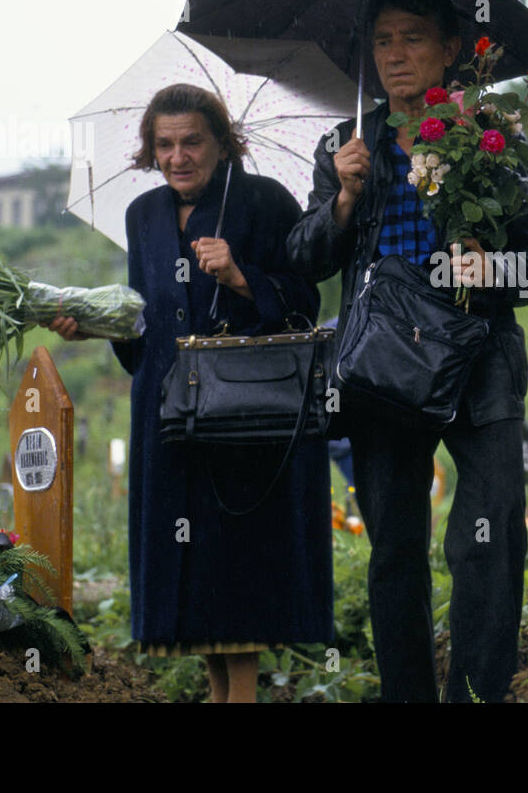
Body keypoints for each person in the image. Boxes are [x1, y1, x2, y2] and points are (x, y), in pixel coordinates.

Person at [288, 0, 528, 702]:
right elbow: (306, 261)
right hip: (383, 369)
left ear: (448, 49)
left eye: (412, 38)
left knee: (488, 541)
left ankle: (479, 693)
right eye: (382, 41)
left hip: (479, 361)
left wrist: (488, 262)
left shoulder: (490, 137)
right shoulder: (346, 144)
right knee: (395, 549)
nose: (396, 54)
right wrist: (342, 199)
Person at [48, 83, 332, 702]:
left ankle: (245, 696)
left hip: (241, 413)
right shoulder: (142, 215)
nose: (179, 156)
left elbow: (305, 301)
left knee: (236, 557)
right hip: (168, 410)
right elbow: (142, 322)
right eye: (165, 144)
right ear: (151, 150)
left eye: (192, 142)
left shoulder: (262, 201)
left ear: (222, 142)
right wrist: (93, 326)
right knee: (188, 560)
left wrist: (240, 277)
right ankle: (217, 691)